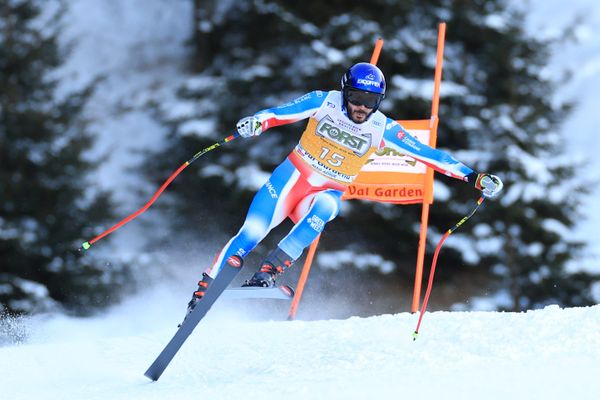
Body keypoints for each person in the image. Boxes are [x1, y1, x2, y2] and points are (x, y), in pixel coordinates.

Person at [184, 62, 503, 314]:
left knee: (327, 208)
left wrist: (473, 177)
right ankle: (206, 285)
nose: (362, 108)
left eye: (371, 102)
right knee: (252, 231)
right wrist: (258, 121)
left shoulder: (383, 127)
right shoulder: (323, 102)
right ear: (344, 92)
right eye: (356, 98)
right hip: (291, 179)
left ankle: (268, 271)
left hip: (324, 192)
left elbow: (430, 156)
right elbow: (280, 113)